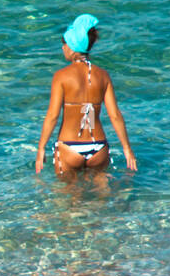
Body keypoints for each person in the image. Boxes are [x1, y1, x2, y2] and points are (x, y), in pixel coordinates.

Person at [35, 14, 137, 175]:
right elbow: (115, 115)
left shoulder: (61, 76)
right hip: (98, 147)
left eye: (65, 43)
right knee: (102, 195)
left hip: (69, 147)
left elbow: (53, 116)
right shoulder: (103, 75)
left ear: (73, 46)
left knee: (69, 197)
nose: (63, 48)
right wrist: (127, 149)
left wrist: (41, 147)